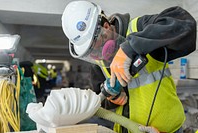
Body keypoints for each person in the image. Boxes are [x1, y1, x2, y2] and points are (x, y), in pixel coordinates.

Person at [61, 1, 197, 133]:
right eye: (90, 51)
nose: (96, 55)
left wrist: (130, 47)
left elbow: (184, 24)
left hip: (167, 130)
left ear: (106, 27)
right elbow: (100, 102)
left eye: (95, 45)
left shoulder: (138, 28)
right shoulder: (99, 63)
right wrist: (112, 100)